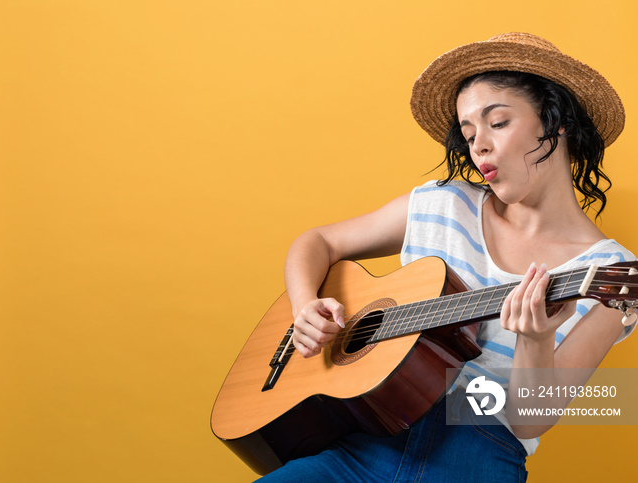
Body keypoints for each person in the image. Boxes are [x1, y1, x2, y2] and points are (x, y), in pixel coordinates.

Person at [256, 33, 635, 482]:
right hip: (363, 440)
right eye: (469, 133)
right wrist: (304, 309)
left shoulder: (616, 275)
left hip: (477, 455)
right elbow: (317, 242)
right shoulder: (442, 204)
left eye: (497, 122)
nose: (479, 146)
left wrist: (535, 340)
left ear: (555, 122)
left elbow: (529, 419)